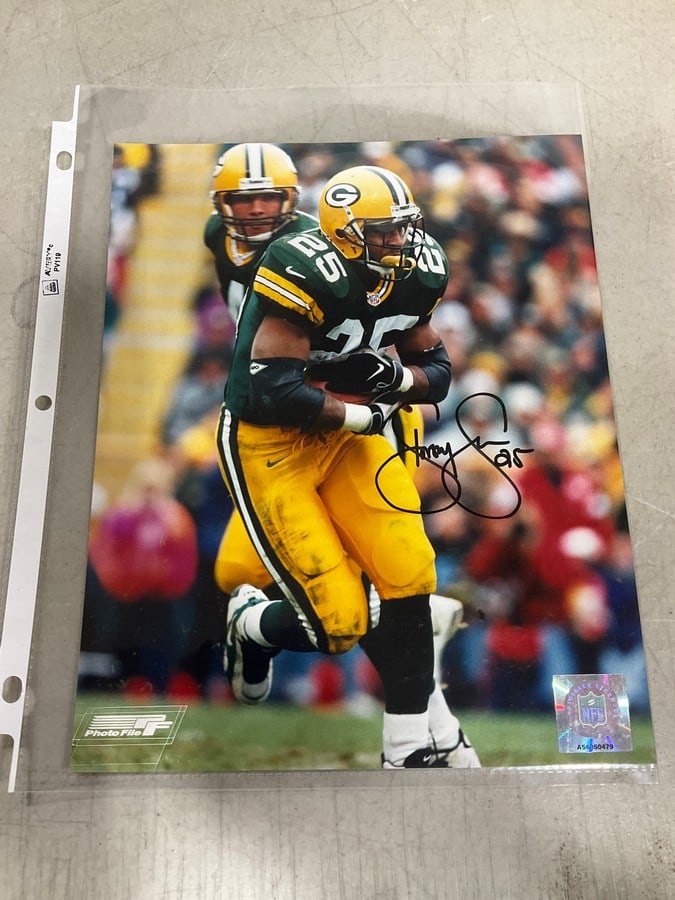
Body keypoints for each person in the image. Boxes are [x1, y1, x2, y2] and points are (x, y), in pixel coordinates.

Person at [216, 163, 479, 768]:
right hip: (270, 442)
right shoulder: (304, 268)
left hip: (349, 433)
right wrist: (366, 413)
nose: (399, 241)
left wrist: (395, 378)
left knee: (410, 569)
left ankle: (407, 747)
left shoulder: (417, 271)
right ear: (345, 235)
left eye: (402, 227)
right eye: (382, 232)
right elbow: (275, 389)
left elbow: (437, 373)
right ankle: (252, 625)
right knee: (337, 624)